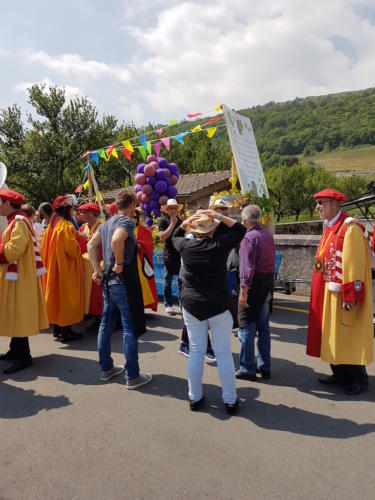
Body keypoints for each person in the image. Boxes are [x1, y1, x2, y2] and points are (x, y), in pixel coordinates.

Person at [172, 209, 246, 414]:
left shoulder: (185, 246)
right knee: (223, 353)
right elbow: (240, 229)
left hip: (193, 304)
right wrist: (218, 216)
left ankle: (194, 397)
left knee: (196, 351)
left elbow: (174, 236)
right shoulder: (219, 245)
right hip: (219, 304)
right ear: (212, 231)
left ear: (195, 231)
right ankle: (230, 400)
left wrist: (186, 221)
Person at [307, 189, 373, 395]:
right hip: (328, 291)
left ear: (334, 204)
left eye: (321, 203)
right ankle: (340, 373)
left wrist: (351, 295)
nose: (317, 207)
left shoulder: (350, 228)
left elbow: (354, 264)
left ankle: (358, 378)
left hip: (343, 294)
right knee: (333, 336)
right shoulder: (330, 227)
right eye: (317, 203)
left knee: (347, 335)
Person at [88, 188, 152, 388]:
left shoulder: (106, 223)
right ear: (132, 205)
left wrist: (96, 270)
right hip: (123, 282)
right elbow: (117, 239)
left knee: (106, 326)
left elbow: (91, 244)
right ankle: (132, 376)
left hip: (108, 282)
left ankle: (106, 368)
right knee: (129, 328)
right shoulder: (125, 221)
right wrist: (119, 262)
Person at [0, 189, 49, 373]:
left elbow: (14, 250)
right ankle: (16, 350)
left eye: (0, 202)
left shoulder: (18, 222)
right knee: (15, 313)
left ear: (7, 204)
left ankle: (24, 357)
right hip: (17, 275)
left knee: (17, 313)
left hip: (19, 277)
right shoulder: (15, 220)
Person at [235, 204, 275, 381]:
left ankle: (247, 368)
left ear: (244, 221)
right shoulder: (268, 236)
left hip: (253, 285)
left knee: (246, 327)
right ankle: (264, 366)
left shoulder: (248, 239)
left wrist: (243, 291)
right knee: (264, 327)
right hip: (267, 284)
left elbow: (247, 269)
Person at [41, 195, 84, 342]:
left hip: (53, 268)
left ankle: (58, 329)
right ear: (66, 209)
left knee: (57, 297)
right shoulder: (66, 226)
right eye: (72, 208)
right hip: (65, 268)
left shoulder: (52, 226)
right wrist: (80, 241)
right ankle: (66, 331)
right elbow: (72, 250)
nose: (74, 211)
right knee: (66, 297)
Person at [78, 203, 104, 332]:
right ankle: (92, 315)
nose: (81, 215)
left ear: (91, 213)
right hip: (86, 264)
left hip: (98, 264)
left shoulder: (101, 226)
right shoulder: (83, 227)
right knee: (90, 293)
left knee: (98, 294)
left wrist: (84, 239)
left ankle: (100, 319)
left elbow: (95, 244)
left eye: (84, 212)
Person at [158, 198, 183, 315]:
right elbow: (162, 237)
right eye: (171, 208)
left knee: (181, 281)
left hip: (180, 255)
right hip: (168, 255)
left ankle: (182, 305)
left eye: (175, 208)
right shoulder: (163, 221)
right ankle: (168, 305)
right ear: (167, 210)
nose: (173, 210)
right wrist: (172, 224)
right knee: (167, 280)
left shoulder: (181, 222)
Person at [133, 208, 158, 312]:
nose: (132, 219)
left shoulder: (142, 230)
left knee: (141, 287)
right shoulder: (121, 229)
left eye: (134, 217)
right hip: (126, 264)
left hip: (139, 263)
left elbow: (146, 245)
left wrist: (132, 242)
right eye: (130, 217)